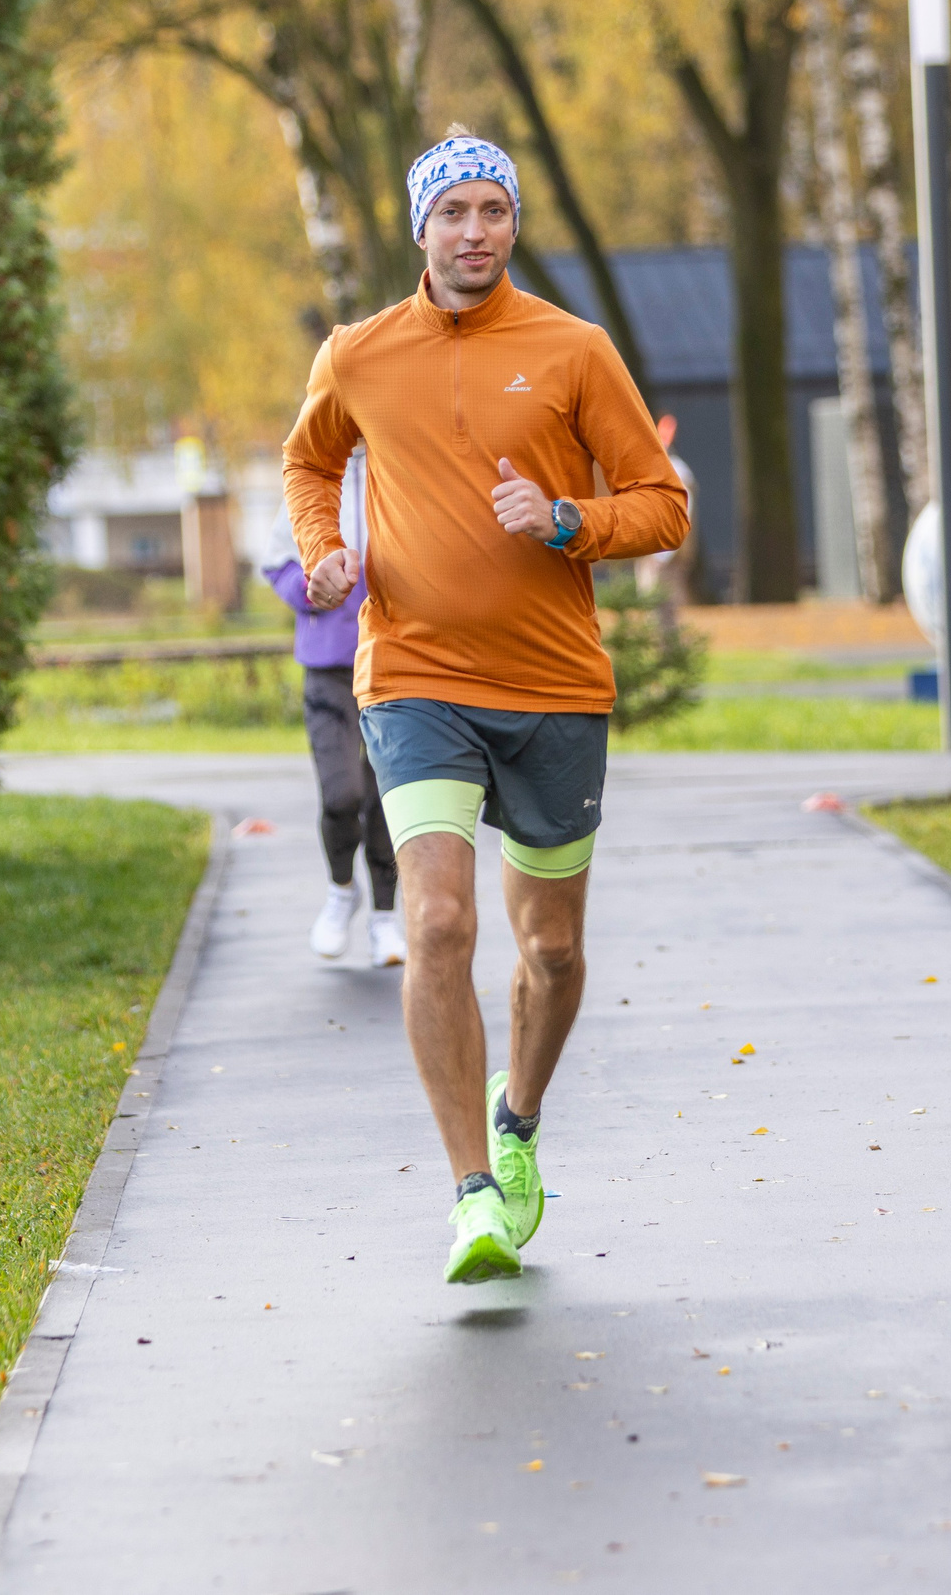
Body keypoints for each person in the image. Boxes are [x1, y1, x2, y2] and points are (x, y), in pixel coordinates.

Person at [282, 133, 689, 1284]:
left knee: (550, 950)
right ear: (419, 229)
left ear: (512, 224)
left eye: (492, 210)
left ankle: (518, 1122)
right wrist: (326, 552)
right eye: (452, 210)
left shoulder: (572, 348)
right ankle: (469, 1193)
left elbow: (660, 505)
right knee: (442, 922)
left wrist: (566, 520)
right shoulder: (358, 355)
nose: (474, 230)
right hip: (413, 675)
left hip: (555, 684)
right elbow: (308, 465)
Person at [262, 463, 405, 967]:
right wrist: (313, 592)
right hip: (329, 668)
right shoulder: (320, 474)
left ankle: (385, 920)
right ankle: (342, 890)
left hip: (397, 661)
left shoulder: (404, 462)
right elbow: (276, 561)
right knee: (342, 793)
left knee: (387, 796)